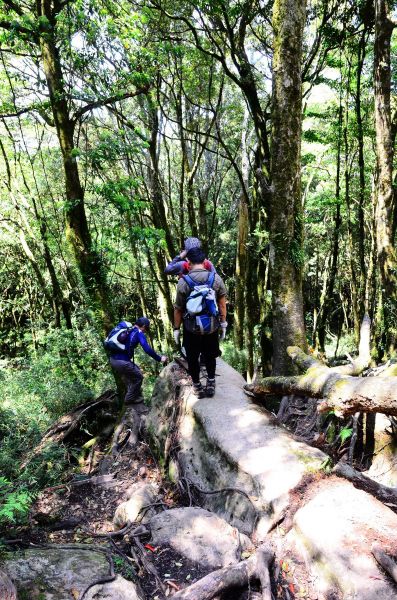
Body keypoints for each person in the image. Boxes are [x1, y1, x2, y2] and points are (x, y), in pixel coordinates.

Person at [173, 247, 227, 398]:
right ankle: (211, 382)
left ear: (188, 263)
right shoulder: (215, 279)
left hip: (191, 329)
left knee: (192, 358)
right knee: (210, 356)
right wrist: (223, 324)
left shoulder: (183, 282)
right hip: (211, 327)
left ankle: (197, 386)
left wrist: (176, 329)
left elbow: (178, 309)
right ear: (204, 262)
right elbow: (222, 304)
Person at [109, 317, 167, 404]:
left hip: (113, 360)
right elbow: (147, 349)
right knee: (139, 377)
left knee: (134, 371)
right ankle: (129, 399)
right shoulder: (138, 332)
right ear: (143, 326)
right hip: (122, 362)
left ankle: (132, 393)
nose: (145, 331)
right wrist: (160, 358)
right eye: (146, 328)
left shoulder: (129, 329)